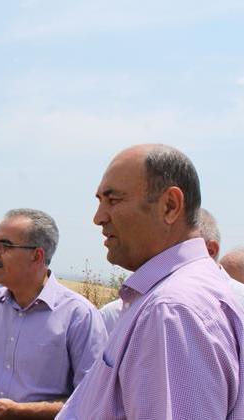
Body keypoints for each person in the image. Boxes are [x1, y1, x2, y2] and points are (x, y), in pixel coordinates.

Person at [58, 144, 244, 419]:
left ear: (170, 206)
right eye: (99, 201)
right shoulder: (180, 295)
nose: (98, 218)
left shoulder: (172, 309)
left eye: (113, 200)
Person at [0, 208, 107, 419]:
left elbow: (93, 401)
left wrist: (20, 412)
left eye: (4, 246)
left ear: (36, 255)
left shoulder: (79, 316)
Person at [99, 207, 244, 333]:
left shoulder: (237, 303)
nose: (165, 259)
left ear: (210, 250)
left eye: (179, 251)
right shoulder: (115, 314)